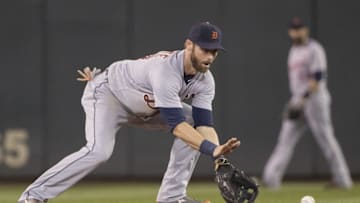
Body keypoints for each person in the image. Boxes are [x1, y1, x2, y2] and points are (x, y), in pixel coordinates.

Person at [18, 22, 241, 203]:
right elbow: (177, 127)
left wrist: (219, 158)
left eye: (214, 51)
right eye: (205, 49)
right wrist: (210, 149)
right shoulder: (166, 71)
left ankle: (171, 198)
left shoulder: (205, 81)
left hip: (147, 108)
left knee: (193, 121)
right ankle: (33, 196)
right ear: (189, 45)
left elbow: (204, 125)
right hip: (109, 95)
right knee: (99, 151)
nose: (210, 56)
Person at [262, 17, 353, 189]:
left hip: (314, 99)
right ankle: (271, 179)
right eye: (294, 29)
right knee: (285, 139)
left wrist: (302, 99)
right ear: (290, 31)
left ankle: (343, 180)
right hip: (297, 99)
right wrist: (296, 100)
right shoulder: (293, 50)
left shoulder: (314, 49)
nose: (297, 32)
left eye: (300, 28)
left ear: (306, 30)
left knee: (326, 139)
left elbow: (317, 76)